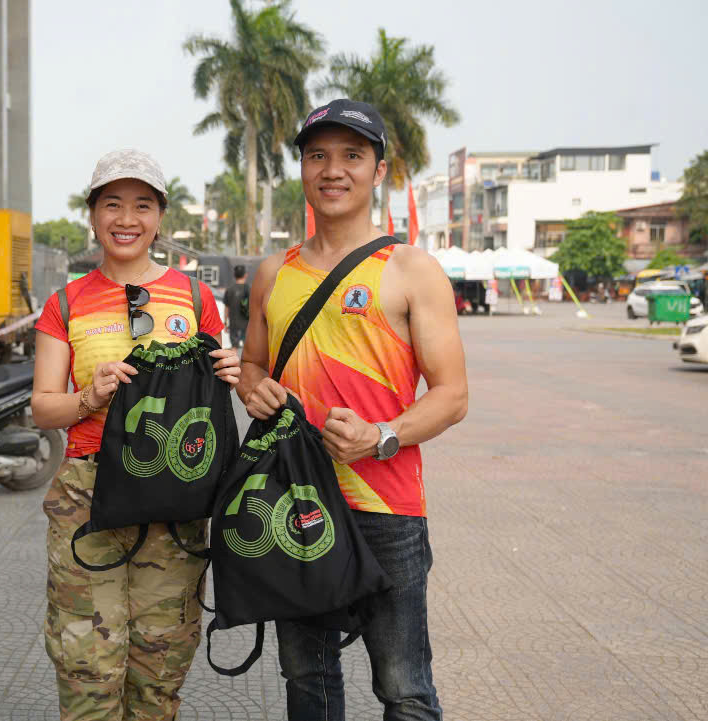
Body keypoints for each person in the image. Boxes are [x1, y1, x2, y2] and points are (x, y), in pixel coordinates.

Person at [236, 99, 468, 721]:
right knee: (307, 679)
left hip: (387, 510)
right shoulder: (271, 274)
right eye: (318, 156)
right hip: (297, 502)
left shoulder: (412, 268)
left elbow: (452, 396)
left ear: (379, 170)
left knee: (405, 689)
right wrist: (251, 387)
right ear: (303, 171)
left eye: (351, 156)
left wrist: (382, 435)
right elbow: (253, 364)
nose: (333, 170)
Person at [30, 149, 241, 721]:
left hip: (175, 497)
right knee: (88, 664)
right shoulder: (65, 303)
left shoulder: (197, 300)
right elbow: (42, 408)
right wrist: (88, 398)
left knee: (160, 662)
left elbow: (220, 394)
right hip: (88, 495)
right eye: (112, 204)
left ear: (159, 218)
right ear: (93, 215)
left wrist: (233, 374)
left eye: (142, 205)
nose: (127, 218)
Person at [222, 264, 250, 350]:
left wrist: (226, 323)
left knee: (234, 348)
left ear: (234, 275)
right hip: (247, 323)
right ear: (245, 275)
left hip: (234, 324)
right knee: (248, 349)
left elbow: (227, 308)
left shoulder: (229, 289)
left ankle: (234, 363)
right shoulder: (249, 289)